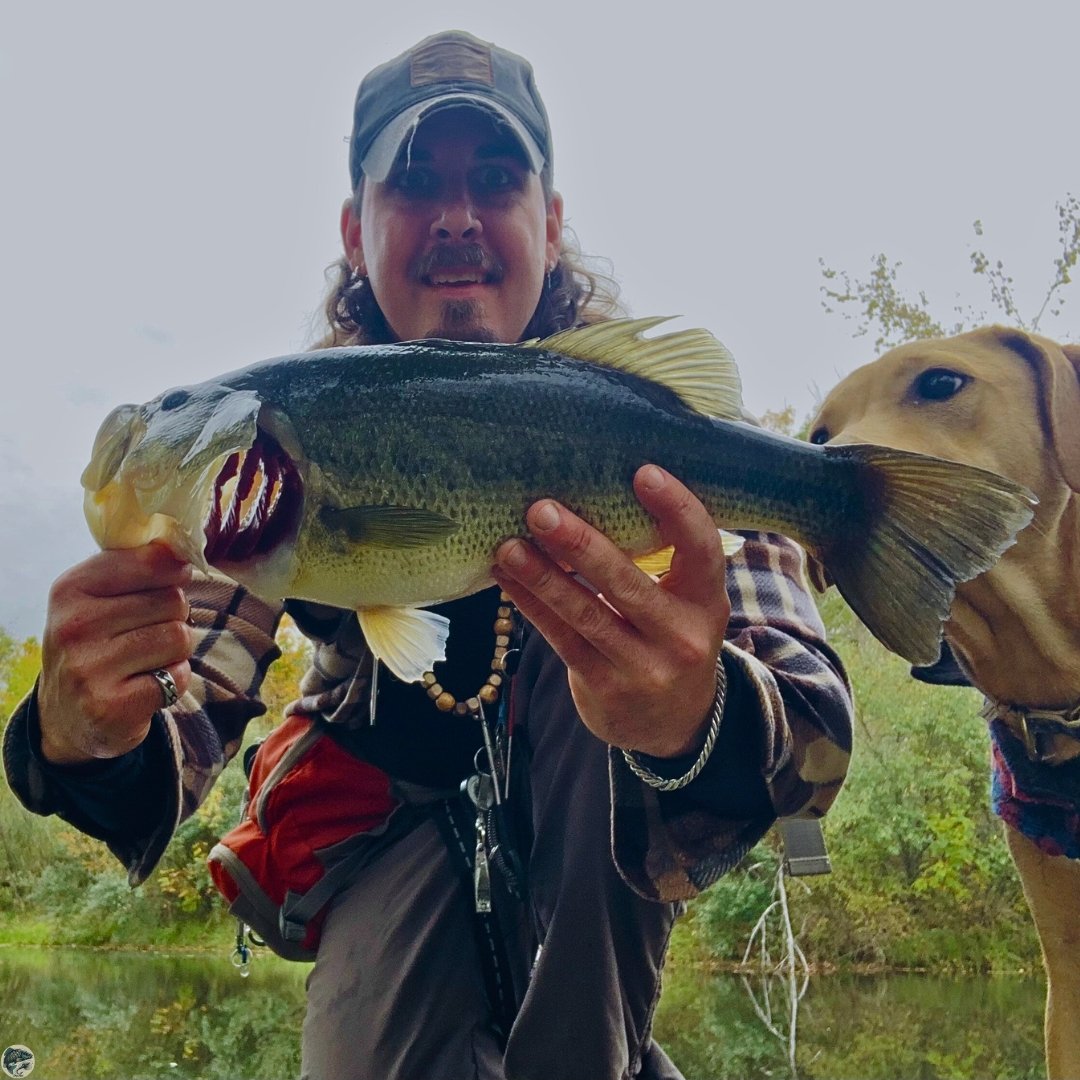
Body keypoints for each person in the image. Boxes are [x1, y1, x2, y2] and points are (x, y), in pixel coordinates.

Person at [4, 29, 853, 1080]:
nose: (458, 217)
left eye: (496, 180)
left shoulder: (648, 430)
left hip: (611, 835)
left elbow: (813, 739)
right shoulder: (281, 456)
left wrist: (697, 713)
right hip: (385, 822)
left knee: (609, 663)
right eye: (416, 185)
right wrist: (81, 729)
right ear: (358, 233)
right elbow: (179, 737)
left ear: (549, 223)